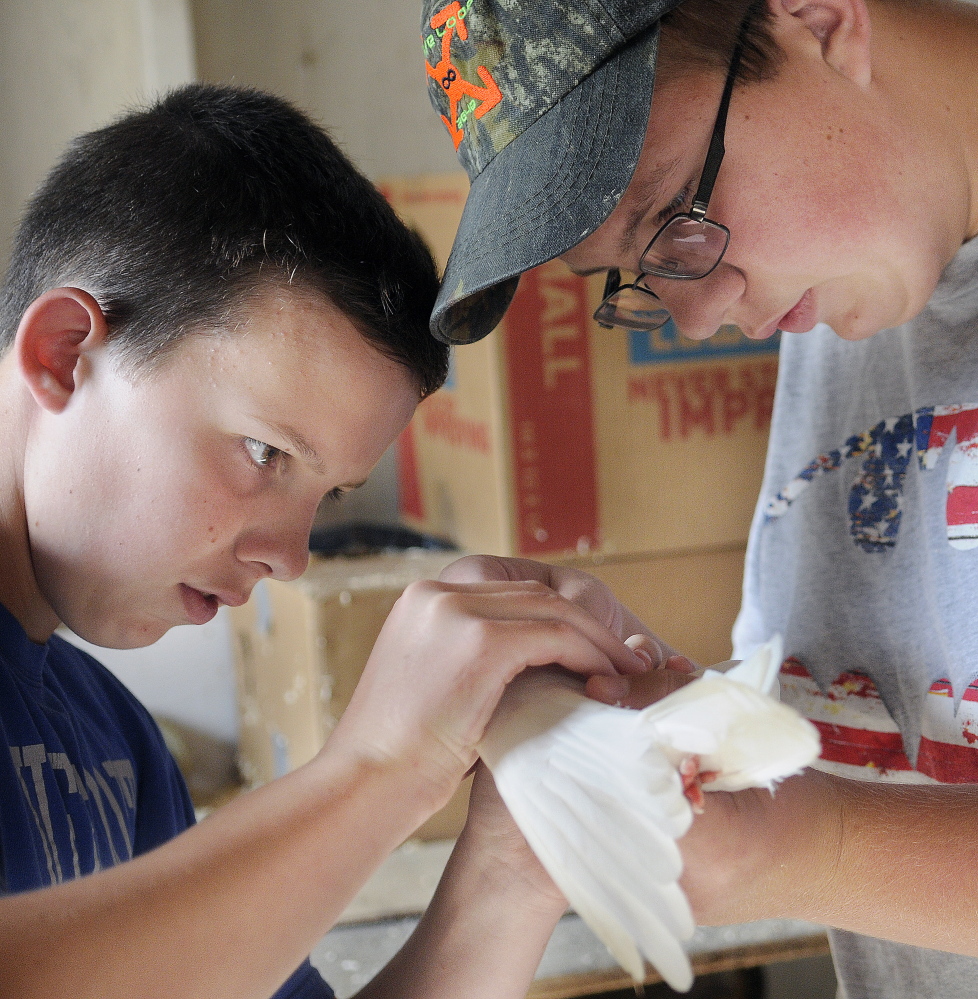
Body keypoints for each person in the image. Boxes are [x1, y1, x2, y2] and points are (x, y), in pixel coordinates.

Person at [0, 82, 655, 999]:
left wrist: (514, 866)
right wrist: (381, 768)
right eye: (265, 451)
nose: (291, 556)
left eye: (328, 491)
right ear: (65, 353)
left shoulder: (111, 743)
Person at [420, 0, 978, 995]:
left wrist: (810, 848)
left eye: (675, 220)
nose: (698, 312)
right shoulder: (859, 280)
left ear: (815, 18)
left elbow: (828, 836)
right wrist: (670, 727)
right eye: (638, 275)